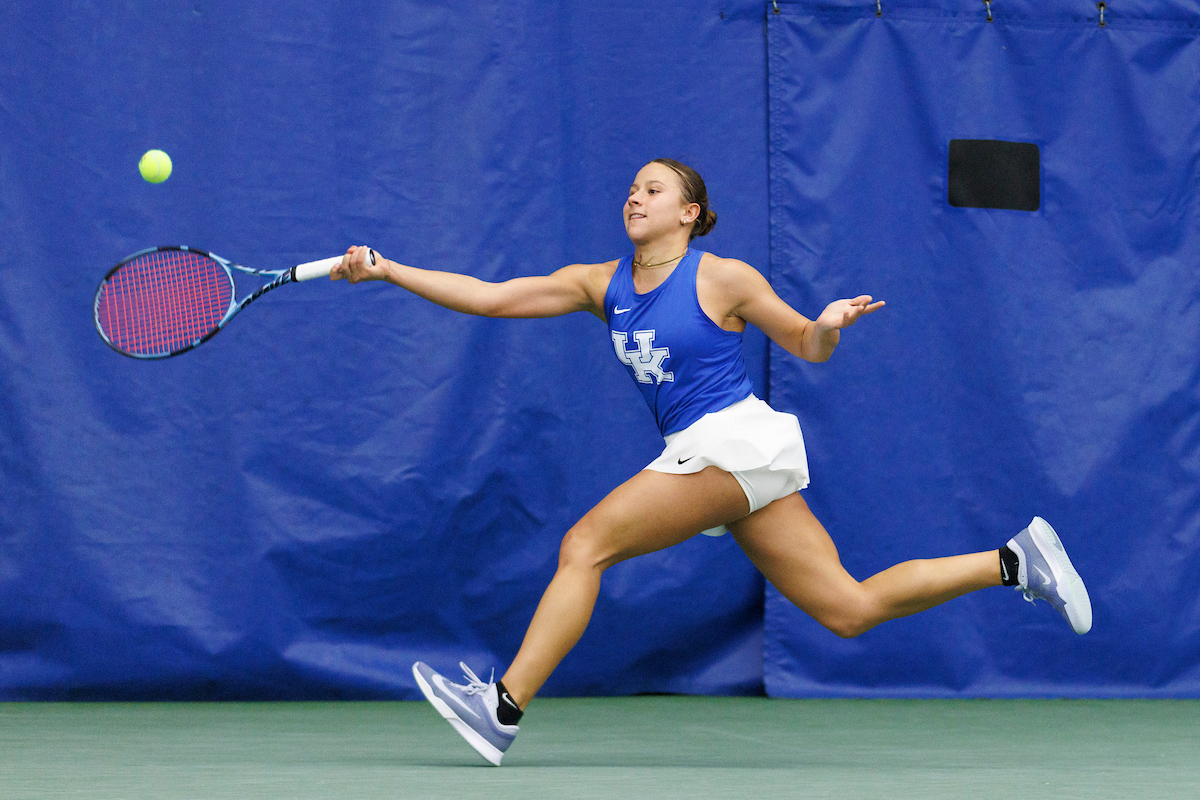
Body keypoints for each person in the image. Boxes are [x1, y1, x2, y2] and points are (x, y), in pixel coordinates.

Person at [331, 158, 1092, 766]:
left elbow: (804, 343)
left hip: (728, 442)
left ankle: (502, 708)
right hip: (725, 460)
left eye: (652, 189)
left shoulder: (721, 277)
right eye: (630, 188)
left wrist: (827, 324)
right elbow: (491, 298)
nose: (634, 197)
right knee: (847, 610)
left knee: (585, 546)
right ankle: (1013, 560)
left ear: (688, 212)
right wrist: (390, 269)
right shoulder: (601, 284)